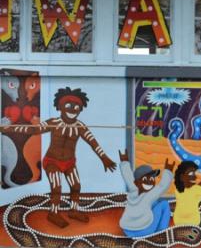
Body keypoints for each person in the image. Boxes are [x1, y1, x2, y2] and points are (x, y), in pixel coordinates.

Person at [0, 87, 116, 227]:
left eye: (77, 107)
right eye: (68, 106)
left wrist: (104, 158)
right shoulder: (54, 123)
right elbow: (34, 130)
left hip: (69, 162)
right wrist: (10, 129)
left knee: (76, 186)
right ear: (60, 107)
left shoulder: (80, 127)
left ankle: (73, 210)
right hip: (52, 161)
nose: (73, 110)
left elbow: (93, 142)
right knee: (57, 188)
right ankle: (53, 213)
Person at [118, 149, 174, 238]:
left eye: (152, 179)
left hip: (128, 230)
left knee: (154, 203)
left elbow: (128, 177)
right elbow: (162, 186)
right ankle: (161, 233)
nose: (149, 182)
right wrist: (168, 171)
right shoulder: (150, 194)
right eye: (145, 179)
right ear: (137, 182)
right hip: (144, 231)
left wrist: (124, 162)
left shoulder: (133, 189)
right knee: (164, 204)